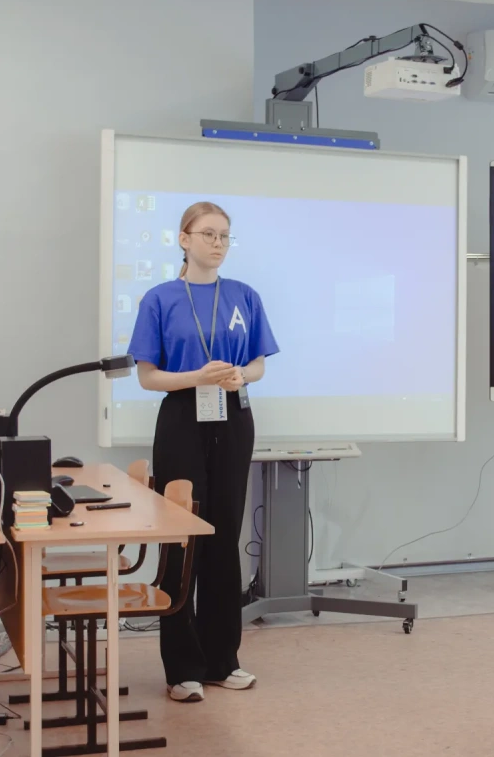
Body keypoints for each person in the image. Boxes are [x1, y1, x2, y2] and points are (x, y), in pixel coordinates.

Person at [127, 201, 279, 703]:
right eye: (208, 234)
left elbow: (258, 364)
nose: (218, 243)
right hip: (181, 417)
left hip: (233, 416)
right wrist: (196, 377)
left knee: (223, 535)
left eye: (225, 236)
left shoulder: (244, 295)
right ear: (184, 239)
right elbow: (148, 377)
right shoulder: (160, 298)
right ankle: (182, 668)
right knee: (182, 537)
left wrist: (240, 375)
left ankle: (222, 660)